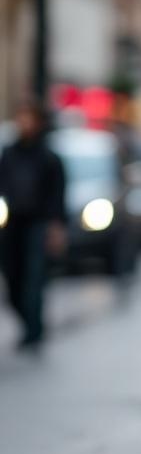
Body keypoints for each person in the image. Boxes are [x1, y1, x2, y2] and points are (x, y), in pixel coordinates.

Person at [0, 99, 67, 350]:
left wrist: (56, 226)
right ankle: (27, 322)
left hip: (39, 224)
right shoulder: (10, 153)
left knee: (34, 278)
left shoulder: (49, 158)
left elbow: (58, 195)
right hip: (13, 223)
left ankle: (34, 329)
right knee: (13, 276)